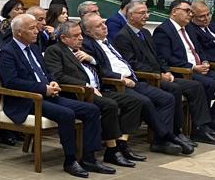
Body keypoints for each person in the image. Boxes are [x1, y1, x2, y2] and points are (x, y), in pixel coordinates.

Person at [0, 13, 109, 178]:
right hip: (26, 100)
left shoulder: (34, 48)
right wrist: (43, 88)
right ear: (19, 32)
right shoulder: (7, 52)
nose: (37, 31)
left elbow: (46, 72)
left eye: (36, 28)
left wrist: (53, 82)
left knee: (91, 110)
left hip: (48, 95)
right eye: (32, 28)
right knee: (66, 114)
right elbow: (11, 82)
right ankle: (70, 160)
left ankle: (89, 158)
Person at [113, 1, 215, 147]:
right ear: (131, 16)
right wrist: (159, 74)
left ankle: (198, 128)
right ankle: (173, 132)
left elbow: (158, 57)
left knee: (195, 86)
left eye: (147, 12)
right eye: (142, 13)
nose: (147, 16)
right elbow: (133, 64)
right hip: (146, 78)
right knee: (174, 89)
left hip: (159, 74)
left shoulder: (145, 33)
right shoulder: (123, 36)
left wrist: (166, 70)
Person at [80, 13, 188, 156]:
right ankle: (167, 137)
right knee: (143, 101)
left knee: (166, 98)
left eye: (103, 23)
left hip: (133, 79)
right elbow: (100, 69)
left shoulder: (108, 40)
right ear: (88, 31)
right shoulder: (87, 45)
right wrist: (120, 78)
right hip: (116, 84)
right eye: (99, 26)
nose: (104, 27)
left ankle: (161, 139)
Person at [44, 20, 144, 168]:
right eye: (75, 36)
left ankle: (121, 143)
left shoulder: (82, 50)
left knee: (134, 101)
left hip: (99, 90)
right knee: (109, 105)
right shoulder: (55, 51)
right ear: (64, 38)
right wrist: (86, 86)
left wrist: (92, 60)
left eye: (80, 34)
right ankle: (112, 150)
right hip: (80, 93)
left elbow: (103, 70)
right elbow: (58, 76)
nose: (80, 38)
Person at [153, 0, 215, 137]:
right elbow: (166, 58)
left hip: (200, 68)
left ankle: (212, 117)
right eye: (187, 11)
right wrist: (193, 67)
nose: (190, 14)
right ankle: (200, 126)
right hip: (184, 72)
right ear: (174, 12)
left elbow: (199, 50)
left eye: (191, 12)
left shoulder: (187, 29)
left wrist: (205, 62)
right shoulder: (163, 30)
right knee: (208, 83)